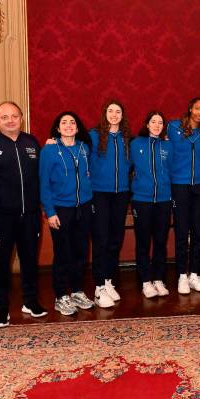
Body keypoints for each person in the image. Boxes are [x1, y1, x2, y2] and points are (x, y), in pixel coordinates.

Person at [0, 101, 45, 328]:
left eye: (14, 115)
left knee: (29, 260)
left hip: (31, 216)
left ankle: (31, 301)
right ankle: (1, 308)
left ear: (21, 117)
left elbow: (41, 176)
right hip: (1, 218)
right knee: (0, 264)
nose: (10, 120)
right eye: (4, 117)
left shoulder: (32, 142)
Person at [39, 112, 95, 316]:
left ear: (78, 128)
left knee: (81, 252)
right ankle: (61, 295)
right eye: (64, 122)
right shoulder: (49, 150)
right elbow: (44, 183)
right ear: (57, 128)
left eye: (72, 122)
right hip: (61, 209)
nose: (69, 125)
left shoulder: (84, 148)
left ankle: (77, 291)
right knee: (63, 253)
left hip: (84, 207)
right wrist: (50, 212)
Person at [88, 100, 131, 307]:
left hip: (121, 193)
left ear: (122, 115)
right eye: (111, 111)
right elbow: (75, 147)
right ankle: (98, 286)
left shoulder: (127, 139)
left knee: (115, 238)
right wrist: (54, 141)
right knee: (101, 239)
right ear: (104, 114)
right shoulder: (93, 136)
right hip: (100, 194)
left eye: (118, 111)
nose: (114, 114)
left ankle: (108, 280)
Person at [168, 97, 200, 295]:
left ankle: (194, 274)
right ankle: (182, 276)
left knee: (197, 232)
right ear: (190, 108)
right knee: (182, 232)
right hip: (180, 185)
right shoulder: (173, 127)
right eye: (197, 108)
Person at [130, 111, 172, 298]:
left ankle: (158, 279)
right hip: (142, 200)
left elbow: (172, 170)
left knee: (161, 242)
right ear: (147, 124)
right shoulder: (136, 143)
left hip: (163, 200)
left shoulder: (167, 145)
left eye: (160, 122)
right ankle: (146, 281)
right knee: (143, 242)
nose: (156, 125)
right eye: (153, 122)